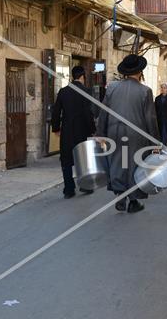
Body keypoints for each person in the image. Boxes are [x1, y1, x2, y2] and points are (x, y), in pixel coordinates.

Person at [96, 54, 160, 213]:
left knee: (118, 163)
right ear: (140, 72)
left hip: (114, 132)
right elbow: (150, 118)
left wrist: (100, 133)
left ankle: (120, 196)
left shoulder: (112, 88)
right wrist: (156, 143)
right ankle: (133, 201)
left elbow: (104, 112)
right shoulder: (145, 91)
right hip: (136, 134)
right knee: (134, 166)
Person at [52, 66, 97, 199]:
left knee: (66, 160)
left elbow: (56, 112)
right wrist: (93, 130)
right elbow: (88, 114)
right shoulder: (87, 92)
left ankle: (68, 190)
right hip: (81, 131)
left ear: (72, 77)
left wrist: (56, 128)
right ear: (82, 77)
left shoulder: (63, 91)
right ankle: (84, 186)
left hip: (66, 131)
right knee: (82, 159)